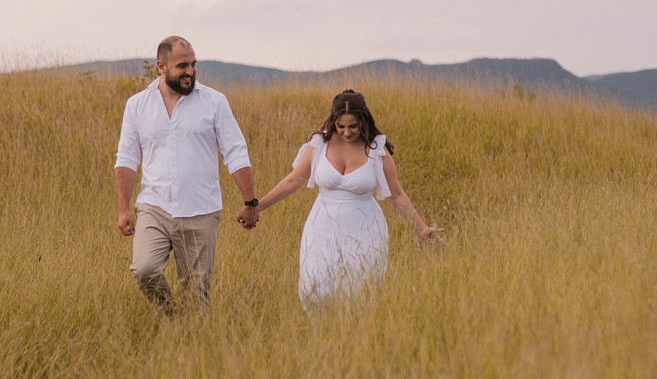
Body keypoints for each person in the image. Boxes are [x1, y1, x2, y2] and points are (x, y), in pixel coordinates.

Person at [256, 89, 441, 309]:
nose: (346, 132)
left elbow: (396, 193)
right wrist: (256, 207)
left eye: (353, 126)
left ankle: (356, 338)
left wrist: (421, 228)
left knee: (359, 291)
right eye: (340, 126)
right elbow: (293, 181)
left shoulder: (376, 149)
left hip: (365, 228)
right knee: (316, 287)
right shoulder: (319, 146)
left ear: (363, 121)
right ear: (333, 121)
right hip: (321, 227)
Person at [114, 36, 260, 311]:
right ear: (161, 66)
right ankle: (172, 315)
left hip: (200, 210)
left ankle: (191, 338)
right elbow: (127, 158)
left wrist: (251, 202)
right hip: (154, 206)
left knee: (196, 295)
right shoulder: (137, 105)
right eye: (182, 65)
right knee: (145, 270)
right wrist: (124, 208)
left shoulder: (214, 102)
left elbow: (235, 152)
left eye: (194, 64)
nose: (190, 71)